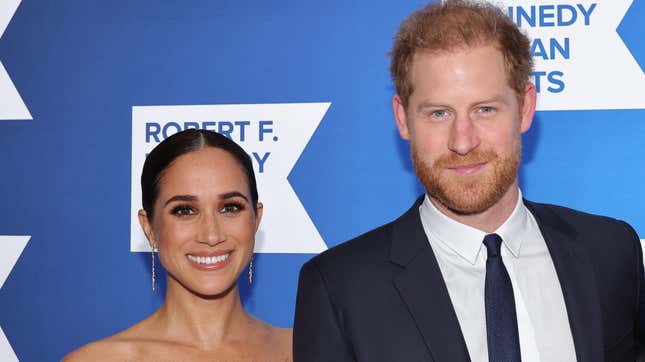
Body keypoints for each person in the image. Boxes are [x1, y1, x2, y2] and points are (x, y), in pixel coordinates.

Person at [293, 1, 644, 361]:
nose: (462, 142)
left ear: (525, 107)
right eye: (439, 113)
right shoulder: (339, 288)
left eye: (485, 110)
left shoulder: (611, 252)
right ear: (402, 118)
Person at [65, 129, 291, 361]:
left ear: (256, 219)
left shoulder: (305, 347)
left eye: (230, 207)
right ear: (149, 228)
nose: (211, 235)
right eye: (184, 210)